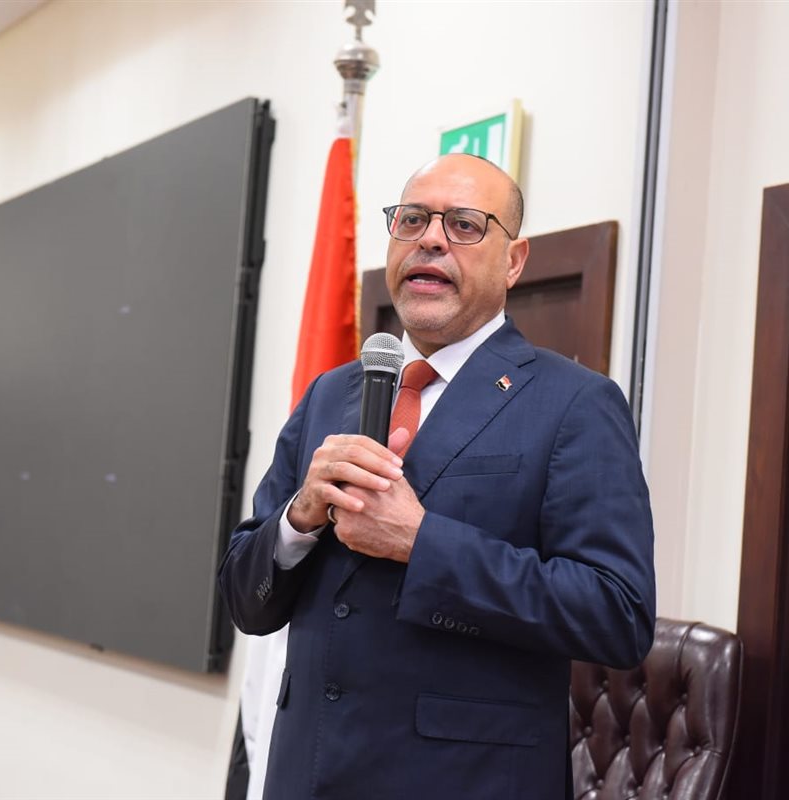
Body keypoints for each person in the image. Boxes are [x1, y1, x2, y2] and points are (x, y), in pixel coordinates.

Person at [218, 154, 655, 799]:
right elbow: (244, 599)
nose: (430, 239)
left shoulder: (574, 404)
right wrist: (299, 519)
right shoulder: (330, 394)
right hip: (306, 775)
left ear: (514, 261)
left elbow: (616, 614)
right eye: (413, 220)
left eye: (465, 225)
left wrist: (421, 543)